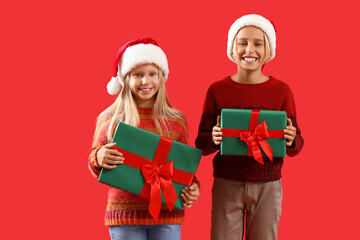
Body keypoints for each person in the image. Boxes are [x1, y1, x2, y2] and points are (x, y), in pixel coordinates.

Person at [195, 14, 304, 240]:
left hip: (268, 184)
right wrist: (213, 137)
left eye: (257, 43)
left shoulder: (282, 91)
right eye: (242, 42)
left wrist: (291, 137)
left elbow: (297, 145)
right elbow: (201, 144)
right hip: (227, 182)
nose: (249, 50)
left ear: (269, 50)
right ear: (232, 48)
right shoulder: (217, 90)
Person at [88, 38, 200, 240]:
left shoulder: (176, 121)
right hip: (125, 217)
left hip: (167, 215)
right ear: (125, 79)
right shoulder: (110, 118)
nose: (145, 81)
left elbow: (184, 168)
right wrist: (99, 156)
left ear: (161, 77)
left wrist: (193, 188)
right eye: (138, 74)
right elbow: (94, 163)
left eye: (152, 74)